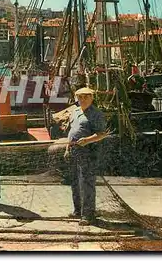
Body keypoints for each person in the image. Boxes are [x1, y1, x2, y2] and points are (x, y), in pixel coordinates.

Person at [64, 87, 108, 226]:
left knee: (87, 183)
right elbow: (71, 131)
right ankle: (78, 211)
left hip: (88, 153)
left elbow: (102, 134)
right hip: (73, 151)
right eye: (80, 97)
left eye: (86, 96)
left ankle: (88, 215)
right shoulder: (75, 112)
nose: (82, 99)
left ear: (92, 97)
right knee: (75, 182)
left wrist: (87, 140)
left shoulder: (96, 114)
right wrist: (67, 148)